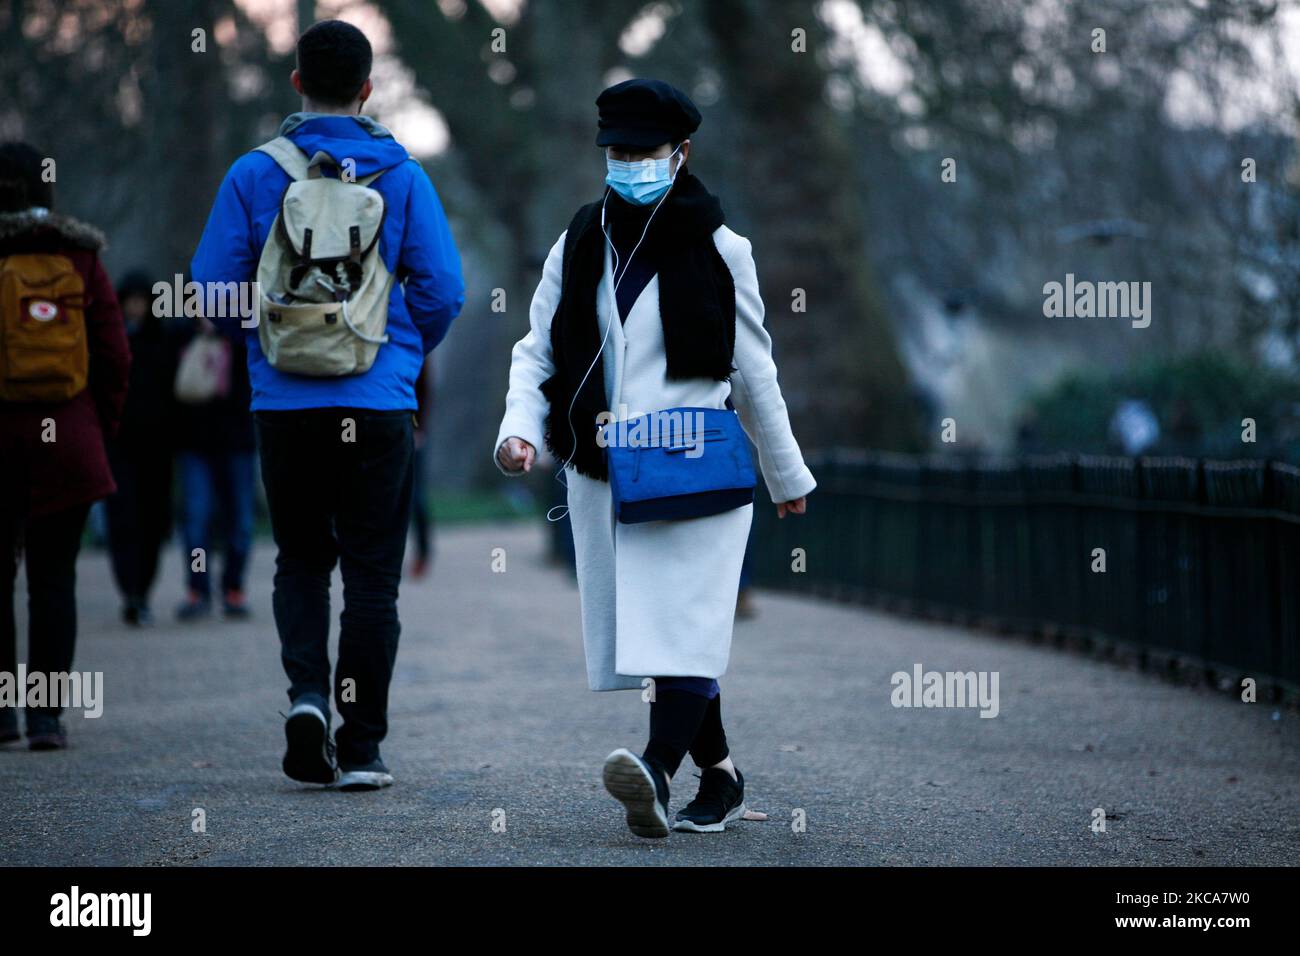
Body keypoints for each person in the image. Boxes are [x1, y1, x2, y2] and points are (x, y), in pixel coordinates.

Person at [493, 79, 814, 837]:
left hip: (696, 465)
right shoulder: (578, 240)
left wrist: (786, 474)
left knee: (682, 623)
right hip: (607, 468)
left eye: (645, 151)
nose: (630, 163)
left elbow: (753, 369)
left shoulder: (722, 247)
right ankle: (723, 776)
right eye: (619, 151)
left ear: (682, 154)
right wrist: (521, 432)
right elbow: (537, 350)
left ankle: (656, 772)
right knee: (663, 632)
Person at [191, 20, 464, 790]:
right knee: (374, 575)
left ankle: (307, 698)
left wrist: (268, 337)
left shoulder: (253, 174)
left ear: (296, 83)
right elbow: (445, 290)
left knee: (303, 561)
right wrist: (400, 352)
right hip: (377, 401)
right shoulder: (403, 176)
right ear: (368, 89)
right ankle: (364, 747)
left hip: (283, 405)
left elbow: (211, 289)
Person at [0, 141, 130, 748]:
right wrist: (97, 427)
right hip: (67, 441)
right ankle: (46, 718)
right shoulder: (80, 256)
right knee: (54, 581)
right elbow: (114, 353)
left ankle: (1, 714)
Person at [104, 270, 181, 626]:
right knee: (124, 520)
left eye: (141, 301)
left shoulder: (163, 342)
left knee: (152, 521)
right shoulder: (110, 341)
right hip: (120, 446)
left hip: (158, 448)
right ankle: (130, 591)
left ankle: (142, 591)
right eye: (130, 301)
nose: (135, 308)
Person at [171, 322, 256, 621]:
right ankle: (197, 589)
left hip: (238, 443)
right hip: (195, 444)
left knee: (241, 523)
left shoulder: (243, 333)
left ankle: (234, 587)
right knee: (196, 521)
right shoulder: (180, 335)